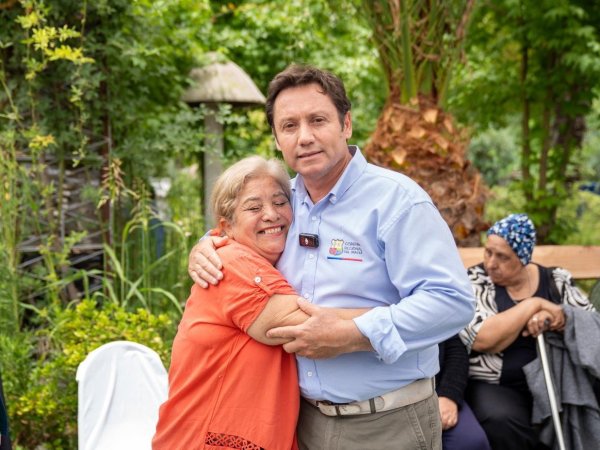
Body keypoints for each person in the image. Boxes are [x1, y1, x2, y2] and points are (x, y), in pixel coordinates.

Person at [188, 64, 475, 450]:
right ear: (277, 139)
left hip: (386, 424)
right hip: (302, 423)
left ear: (346, 125)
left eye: (318, 120)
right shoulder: (282, 204)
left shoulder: (398, 201)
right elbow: (241, 230)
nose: (304, 137)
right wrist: (206, 244)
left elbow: (452, 302)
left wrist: (354, 335)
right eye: (289, 126)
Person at [153, 156, 366, 450]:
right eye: (254, 208)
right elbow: (311, 327)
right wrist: (402, 313)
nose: (271, 214)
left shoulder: (257, 259)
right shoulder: (233, 264)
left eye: (280, 202)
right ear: (227, 226)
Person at [459, 213, 596, 450]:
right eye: (488, 252)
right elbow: (482, 338)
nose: (491, 263)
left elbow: (590, 325)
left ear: (523, 258)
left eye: (502, 257)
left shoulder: (556, 280)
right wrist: (533, 304)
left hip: (557, 380)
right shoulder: (476, 281)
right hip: (497, 385)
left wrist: (557, 316)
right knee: (500, 419)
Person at [437, 335, 490, 450]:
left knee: (471, 441)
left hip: (438, 391)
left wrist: (448, 395)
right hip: (398, 399)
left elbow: (455, 349)